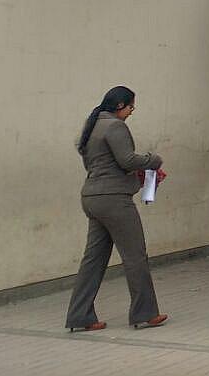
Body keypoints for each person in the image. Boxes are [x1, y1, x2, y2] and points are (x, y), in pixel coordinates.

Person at [65, 86, 169, 332]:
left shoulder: (93, 126)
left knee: (93, 260)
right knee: (135, 256)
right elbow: (126, 160)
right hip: (114, 200)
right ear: (120, 105)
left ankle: (80, 315)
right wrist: (152, 160)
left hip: (92, 196)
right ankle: (144, 313)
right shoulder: (115, 126)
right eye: (131, 107)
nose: (132, 112)